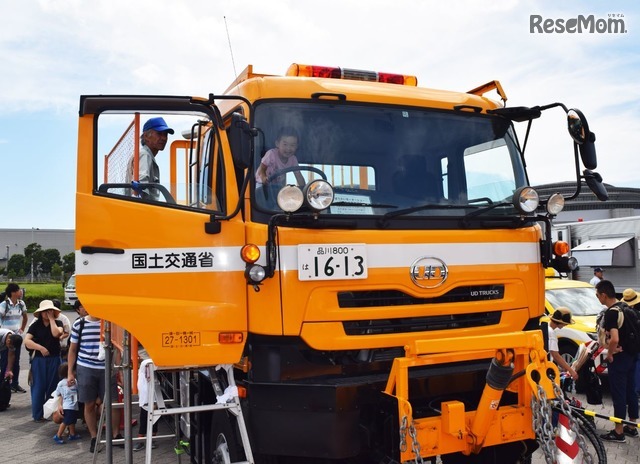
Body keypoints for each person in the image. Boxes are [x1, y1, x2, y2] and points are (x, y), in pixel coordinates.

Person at [67, 300, 122, 453]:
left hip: (107, 368)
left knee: (112, 402)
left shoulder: (110, 323)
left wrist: (119, 371)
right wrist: (70, 372)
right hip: (86, 368)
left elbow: (116, 348)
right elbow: (72, 350)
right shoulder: (79, 324)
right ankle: (94, 437)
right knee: (89, 404)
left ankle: (116, 434)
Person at [596, 280, 638, 442]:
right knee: (631, 391)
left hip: (620, 359)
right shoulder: (626, 307)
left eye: (597, 295)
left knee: (618, 394)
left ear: (604, 295)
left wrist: (610, 354)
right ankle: (632, 426)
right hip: (632, 355)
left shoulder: (611, 312)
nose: (598, 298)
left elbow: (614, 339)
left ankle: (618, 431)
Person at [25, 300, 64, 422]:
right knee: (38, 386)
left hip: (54, 358)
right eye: (45, 312)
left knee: (53, 386)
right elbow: (27, 341)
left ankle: (49, 413)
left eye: (49, 311)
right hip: (39, 360)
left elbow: (56, 333)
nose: (47, 314)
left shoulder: (58, 322)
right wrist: (40, 348)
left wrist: (52, 319)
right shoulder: (35, 325)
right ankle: (38, 414)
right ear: (40, 313)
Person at [127, 117, 174, 201]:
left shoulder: (145, 155)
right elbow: (140, 186)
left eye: (165, 134)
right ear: (146, 136)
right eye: (159, 133)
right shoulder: (145, 155)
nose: (164, 138)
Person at [255, 127, 305, 206]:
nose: (288, 148)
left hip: (277, 185)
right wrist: (264, 178)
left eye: (292, 145)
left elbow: (298, 176)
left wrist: (304, 189)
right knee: (259, 198)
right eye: (285, 144)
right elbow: (262, 168)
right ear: (277, 144)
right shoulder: (271, 154)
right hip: (261, 183)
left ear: (296, 147)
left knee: (283, 202)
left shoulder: (293, 159)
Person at [0, 283, 28, 393]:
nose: (20, 292)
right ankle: (3, 383)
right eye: (18, 290)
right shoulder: (4, 305)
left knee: (16, 360)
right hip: (6, 337)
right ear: (13, 292)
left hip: (16, 337)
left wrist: (22, 329)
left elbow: (25, 317)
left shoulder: (21, 304)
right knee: (5, 361)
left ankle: (15, 383)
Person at [52, 362, 81, 444]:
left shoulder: (71, 382)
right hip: (68, 406)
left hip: (73, 405)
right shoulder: (66, 383)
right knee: (66, 421)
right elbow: (58, 393)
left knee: (72, 420)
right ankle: (58, 435)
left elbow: (58, 393)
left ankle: (72, 434)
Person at [547, 307, 579, 381]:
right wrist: (571, 371)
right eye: (565, 323)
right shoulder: (551, 333)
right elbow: (555, 355)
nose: (566, 325)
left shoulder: (546, 328)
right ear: (560, 321)